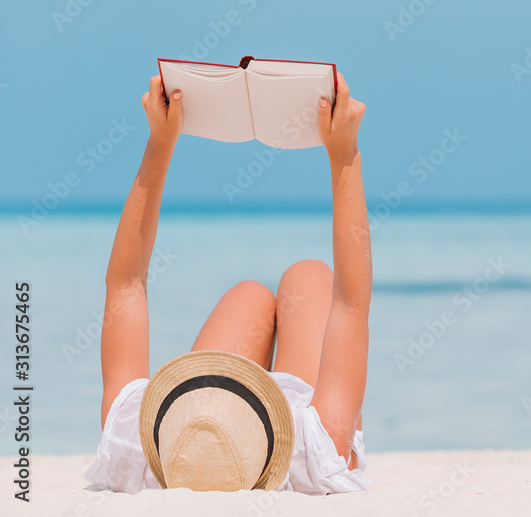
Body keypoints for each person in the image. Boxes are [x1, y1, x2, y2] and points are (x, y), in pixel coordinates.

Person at [84, 73, 372, 494]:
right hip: (291, 417)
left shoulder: (134, 446)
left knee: (249, 295)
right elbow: (351, 302)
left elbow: (126, 285)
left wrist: (160, 143)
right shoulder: (314, 453)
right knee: (309, 276)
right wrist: (345, 155)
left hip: (208, 417)